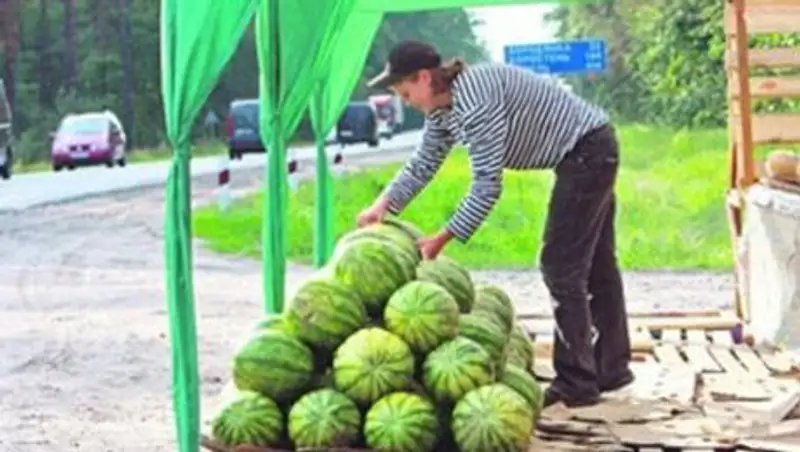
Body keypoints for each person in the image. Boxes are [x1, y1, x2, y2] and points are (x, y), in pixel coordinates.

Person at [356, 40, 633, 408]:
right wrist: (383, 205)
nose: (406, 102)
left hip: (587, 152)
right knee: (595, 264)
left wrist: (443, 238)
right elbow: (424, 162)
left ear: (424, 78)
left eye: (405, 92)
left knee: (561, 266)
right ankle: (610, 368)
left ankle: (577, 382)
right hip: (589, 149)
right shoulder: (442, 110)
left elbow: (488, 185)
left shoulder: (475, 101)